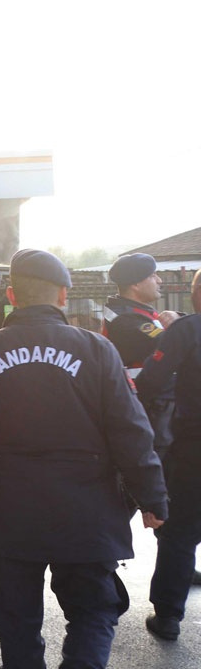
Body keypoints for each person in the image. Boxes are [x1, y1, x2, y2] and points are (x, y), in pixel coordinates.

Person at [0, 248, 167, 669]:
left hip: (15, 514)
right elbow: (132, 432)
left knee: (17, 622)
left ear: (12, 294)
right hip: (88, 514)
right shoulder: (97, 350)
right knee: (93, 613)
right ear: (63, 295)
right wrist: (152, 499)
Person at [136, 268, 201, 640]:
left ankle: (168, 617)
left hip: (194, 446)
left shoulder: (187, 330)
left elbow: (151, 380)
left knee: (179, 531)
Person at [103, 252, 179, 456]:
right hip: (151, 408)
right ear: (136, 284)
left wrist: (177, 317)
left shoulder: (139, 313)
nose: (159, 280)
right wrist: (181, 323)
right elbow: (172, 343)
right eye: (153, 275)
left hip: (160, 405)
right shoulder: (125, 320)